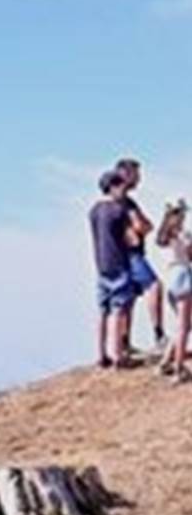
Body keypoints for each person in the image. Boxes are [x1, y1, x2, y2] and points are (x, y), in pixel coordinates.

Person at [117, 158, 166, 351]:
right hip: (131, 254)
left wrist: (141, 227)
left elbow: (147, 226)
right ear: (126, 174)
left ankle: (124, 342)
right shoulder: (125, 202)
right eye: (137, 175)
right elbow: (142, 226)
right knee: (153, 286)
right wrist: (138, 228)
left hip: (122, 255)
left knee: (128, 298)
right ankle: (159, 335)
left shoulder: (125, 201)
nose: (139, 179)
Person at [90, 169, 137, 369]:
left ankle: (101, 355)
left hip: (101, 265)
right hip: (119, 263)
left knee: (103, 310)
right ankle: (118, 356)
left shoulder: (94, 210)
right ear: (113, 187)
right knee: (118, 310)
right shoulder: (119, 210)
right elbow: (132, 239)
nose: (124, 191)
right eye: (121, 186)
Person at [157, 199, 192, 382]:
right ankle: (179, 369)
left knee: (181, 324)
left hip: (170, 278)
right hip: (182, 276)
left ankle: (165, 362)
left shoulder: (162, 237)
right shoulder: (181, 235)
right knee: (183, 327)